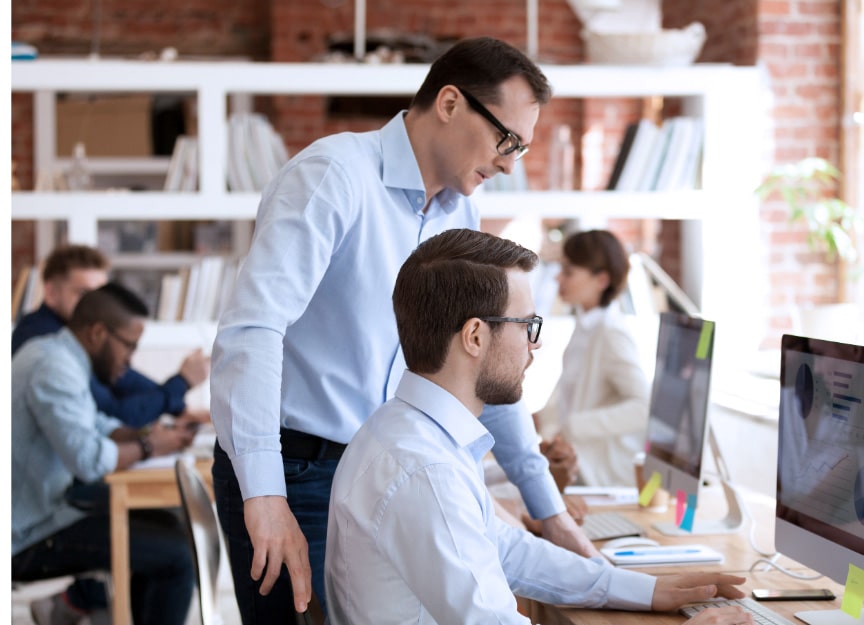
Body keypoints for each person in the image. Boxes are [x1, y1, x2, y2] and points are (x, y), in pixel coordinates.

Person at [210, 36, 597, 622]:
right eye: (506, 139)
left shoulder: (458, 211)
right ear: (448, 103)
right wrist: (264, 496)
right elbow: (253, 329)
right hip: (297, 470)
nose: (509, 163)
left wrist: (549, 510)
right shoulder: (332, 175)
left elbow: (484, 361)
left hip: (388, 471)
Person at [325, 228, 750, 624]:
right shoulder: (426, 471)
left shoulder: (406, 432)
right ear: (475, 337)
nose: (536, 342)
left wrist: (642, 589)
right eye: (527, 325)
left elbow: (504, 550)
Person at [12, 282, 198, 625]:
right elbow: (88, 460)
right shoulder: (53, 368)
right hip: (22, 533)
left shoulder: (56, 356)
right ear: (98, 333)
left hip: (45, 509)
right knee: (175, 554)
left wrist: (149, 434)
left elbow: (95, 424)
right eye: (129, 346)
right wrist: (150, 446)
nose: (130, 359)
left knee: (167, 528)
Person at [12, 244, 211, 428]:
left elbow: (126, 380)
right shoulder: (46, 344)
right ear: (51, 292)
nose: (97, 305)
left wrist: (179, 407)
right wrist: (181, 383)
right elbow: (113, 412)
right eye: (84, 294)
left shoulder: (78, 338)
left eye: (102, 296)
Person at [535, 229, 651, 487]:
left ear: (601, 280)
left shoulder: (611, 334)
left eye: (568, 271)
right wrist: (539, 419)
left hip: (597, 475)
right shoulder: (586, 326)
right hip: (574, 465)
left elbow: (643, 407)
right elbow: (572, 396)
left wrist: (573, 427)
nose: (558, 278)